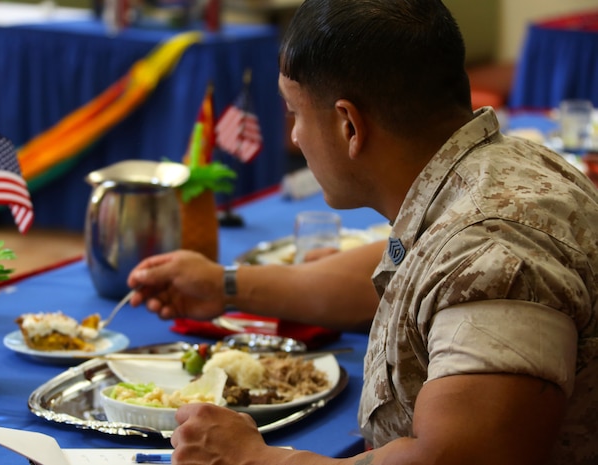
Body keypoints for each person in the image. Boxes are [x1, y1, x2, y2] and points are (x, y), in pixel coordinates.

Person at [127, 0, 598, 464]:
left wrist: (255, 460)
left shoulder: (494, 250)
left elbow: (457, 458)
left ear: (349, 125)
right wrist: (224, 285)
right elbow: (404, 275)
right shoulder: (491, 171)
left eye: (295, 112)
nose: (294, 136)